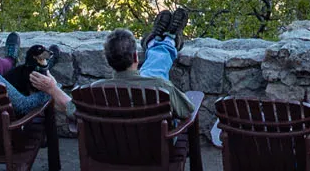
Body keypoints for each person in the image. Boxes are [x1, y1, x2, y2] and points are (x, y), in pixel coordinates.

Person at [31, 8, 192, 121]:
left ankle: (160, 42)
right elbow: (187, 111)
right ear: (136, 57)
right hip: (154, 150)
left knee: (152, 72)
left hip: (109, 152)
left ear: (108, 61)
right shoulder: (161, 87)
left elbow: (70, 108)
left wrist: (51, 88)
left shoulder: (92, 93)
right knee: (153, 73)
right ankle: (163, 42)